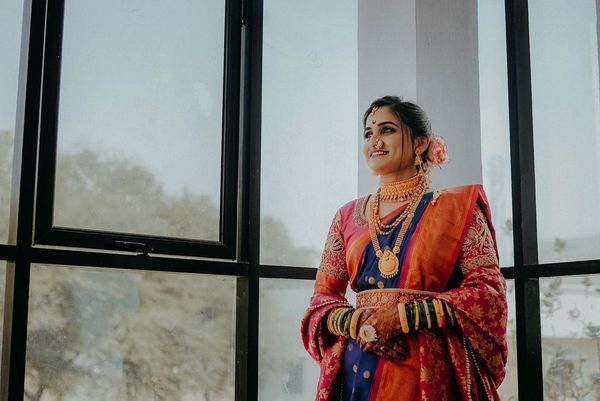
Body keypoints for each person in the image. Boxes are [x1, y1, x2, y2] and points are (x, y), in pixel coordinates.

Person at [301, 96, 508, 401]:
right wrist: (359, 324)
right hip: (358, 365)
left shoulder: (457, 210)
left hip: (428, 369)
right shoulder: (347, 216)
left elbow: (488, 293)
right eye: (369, 134)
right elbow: (322, 300)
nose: (375, 141)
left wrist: (402, 318)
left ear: (421, 142)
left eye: (387, 130)